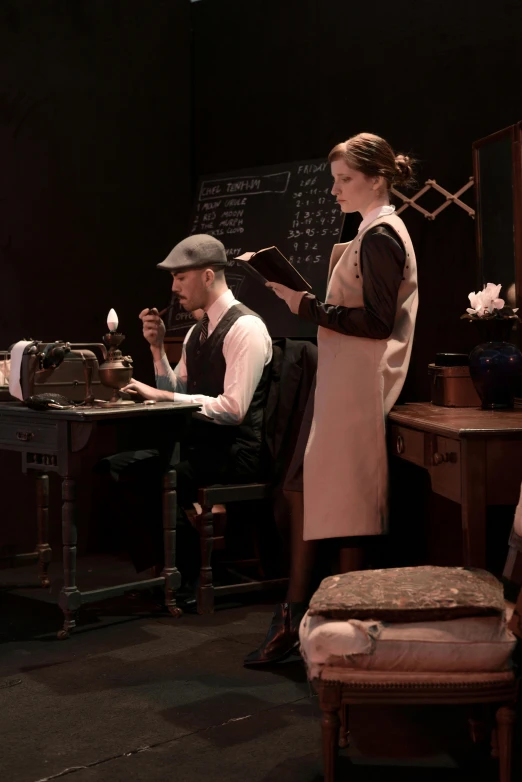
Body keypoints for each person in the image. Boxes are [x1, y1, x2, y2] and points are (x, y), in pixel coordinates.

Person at [244, 132, 418, 665]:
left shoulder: (383, 234)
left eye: (344, 180)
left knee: (342, 500)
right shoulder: (371, 231)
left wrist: (306, 307)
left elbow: (376, 322)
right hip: (345, 381)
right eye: (334, 180)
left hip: (360, 382)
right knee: (332, 497)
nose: (335, 191)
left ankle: (323, 626)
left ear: (376, 179)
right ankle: (311, 623)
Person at [106, 234, 273, 580]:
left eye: (180, 277)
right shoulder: (196, 331)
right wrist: (155, 349)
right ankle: (179, 568)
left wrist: (160, 396)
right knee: (115, 469)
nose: (174, 287)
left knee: (150, 480)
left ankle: (183, 574)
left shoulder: (246, 328)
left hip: (238, 452)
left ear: (208, 276)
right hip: (203, 450)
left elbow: (233, 409)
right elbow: (177, 391)